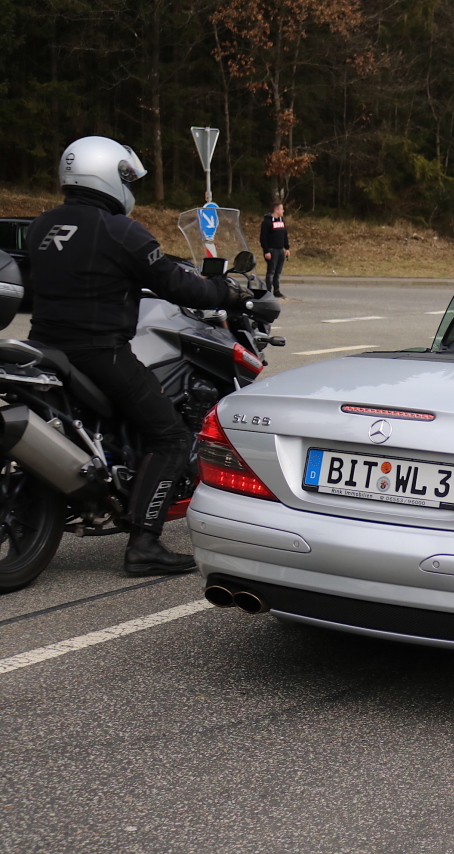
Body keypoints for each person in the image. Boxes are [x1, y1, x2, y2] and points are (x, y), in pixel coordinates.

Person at [27, 136, 250, 576]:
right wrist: (226, 292)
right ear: (111, 175)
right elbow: (175, 283)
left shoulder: (44, 225)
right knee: (170, 436)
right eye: (130, 178)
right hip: (99, 352)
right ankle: (144, 543)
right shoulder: (118, 229)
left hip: (44, 349)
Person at [260, 201, 290, 297]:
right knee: (271, 272)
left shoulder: (281, 221)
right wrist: (266, 251)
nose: (283, 211)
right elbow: (263, 238)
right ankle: (268, 291)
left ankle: (276, 290)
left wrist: (287, 248)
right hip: (272, 250)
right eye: (281, 209)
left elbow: (284, 235)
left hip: (280, 250)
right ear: (276, 210)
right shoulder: (267, 222)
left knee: (278, 271)